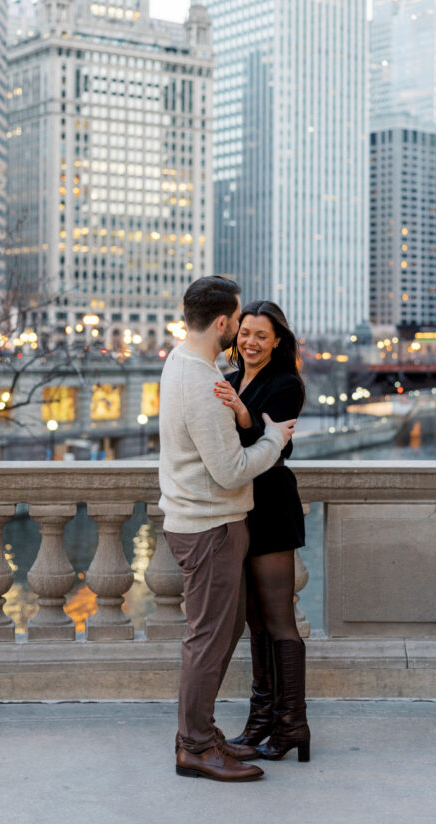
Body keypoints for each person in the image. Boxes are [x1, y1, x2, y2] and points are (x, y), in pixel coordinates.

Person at [159, 276, 297, 783]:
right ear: (222, 322)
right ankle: (194, 747)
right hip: (210, 526)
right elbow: (232, 470)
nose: (241, 330)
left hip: (205, 521)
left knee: (220, 630)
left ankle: (202, 735)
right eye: (238, 321)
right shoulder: (200, 381)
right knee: (208, 639)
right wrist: (275, 440)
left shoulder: (182, 361)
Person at [213, 300, 310, 763]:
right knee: (255, 623)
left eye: (261, 335)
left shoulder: (285, 384)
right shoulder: (230, 381)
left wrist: (243, 415)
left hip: (271, 507)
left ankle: (293, 725)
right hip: (240, 509)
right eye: (244, 332)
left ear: (277, 341)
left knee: (279, 622)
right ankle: (260, 721)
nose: (250, 341)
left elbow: (269, 450)